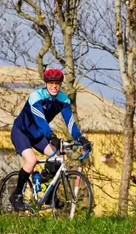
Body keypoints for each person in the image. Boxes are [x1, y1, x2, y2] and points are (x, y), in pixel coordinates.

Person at [9, 68, 92, 211]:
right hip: (21, 132)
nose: (54, 86)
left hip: (38, 135)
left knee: (58, 159)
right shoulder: (36, 96)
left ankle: (47, 193)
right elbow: (40, 119)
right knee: (31, 160)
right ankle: (16, 195)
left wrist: (80, 138)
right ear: (46, 83)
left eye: (57, 83)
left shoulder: (63, 99)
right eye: (51, 83)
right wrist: (51, 136)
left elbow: (70, 122)